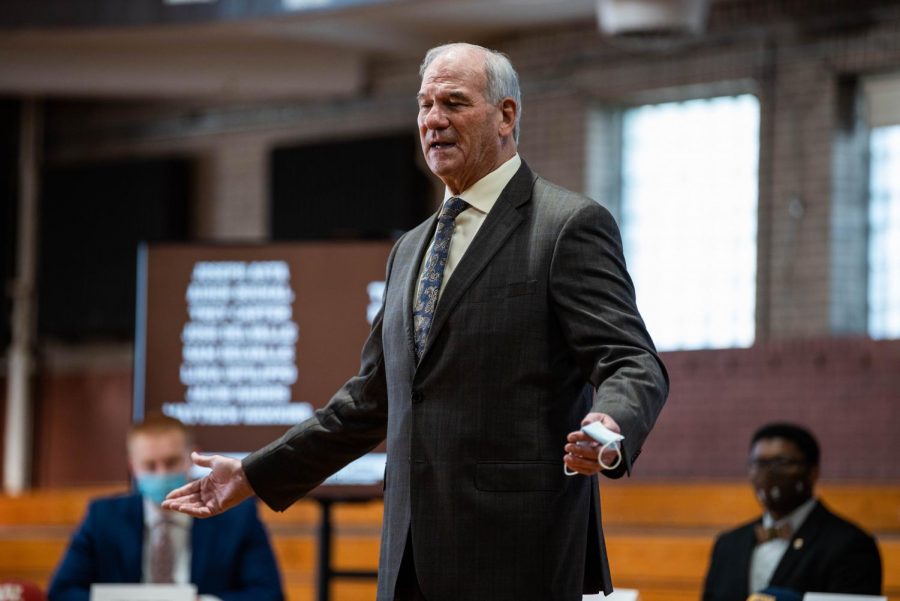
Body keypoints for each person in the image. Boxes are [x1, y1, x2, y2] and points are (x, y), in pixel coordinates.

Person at [164, 42, 668, 601]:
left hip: (519, 555)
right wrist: (255, 474)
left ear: (506, 115)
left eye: (454, 102)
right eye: (425, 105)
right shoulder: (409, 248)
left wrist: (612, 424)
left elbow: (630, 358)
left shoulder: (566, 225)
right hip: (408, 559)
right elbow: (368, 403)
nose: (433, 120)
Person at [48, 415, 283, 601]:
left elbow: (269, 595)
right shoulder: (103, 518)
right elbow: (62, 592)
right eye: (150, 465)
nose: (161, 474)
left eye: (171, 462)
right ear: (133, 466)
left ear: (192, 458)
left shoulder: (237, 517)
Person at [703, 422, 882, 600]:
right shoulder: (728, 544)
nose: (768, 473)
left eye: (781, 462)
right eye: (759, 463)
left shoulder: (850, 545)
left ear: (812, 472)